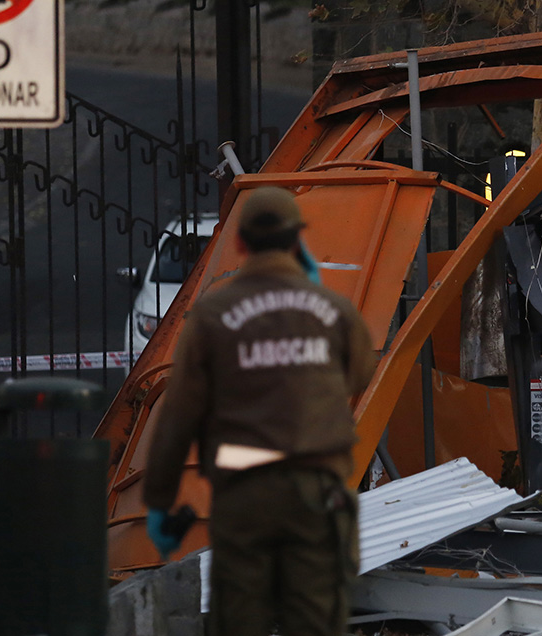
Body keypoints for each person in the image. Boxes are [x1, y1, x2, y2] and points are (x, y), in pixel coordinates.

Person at [142, 186, 376, 636]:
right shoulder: (332, 310)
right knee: (316, 621)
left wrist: (158, 501)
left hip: (245, 493)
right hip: (316, 488)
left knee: (242, 621)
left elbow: (179, 415)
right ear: (297, 242)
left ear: (240, 244)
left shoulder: (212, 315)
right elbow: (359, 375)